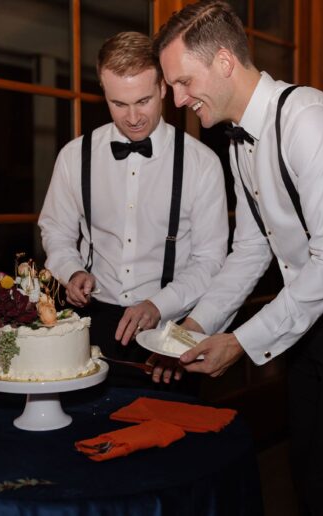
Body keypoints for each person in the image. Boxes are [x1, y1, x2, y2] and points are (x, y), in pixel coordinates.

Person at [154, 1, 323, 514]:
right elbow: (253, 248)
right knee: (304, 470)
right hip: (310, 313)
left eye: (182, 82)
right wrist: (193, 325)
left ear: (223, 61)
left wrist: (241, 341)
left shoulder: (309, 121)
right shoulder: (239, 141)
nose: (176, 99)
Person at [38, 31, 229, 389]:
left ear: (162, 88)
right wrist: (72, 270)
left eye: (142, 100)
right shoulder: (73, 157)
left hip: (169, 328)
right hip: (90, 325)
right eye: (118, 104)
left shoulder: (202, 164)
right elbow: (57, 232)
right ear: (103, 92)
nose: (133, 117)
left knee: (171, 437)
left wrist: (158, 305)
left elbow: (210, 261)